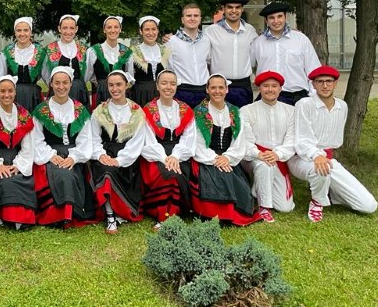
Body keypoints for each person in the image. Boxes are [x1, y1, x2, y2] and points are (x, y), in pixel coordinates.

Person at [290, 65, 378, 222]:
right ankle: (317, 202)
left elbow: (336, 140)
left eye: (329, 81)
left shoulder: (341, 106)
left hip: (328, 159)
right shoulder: (304, 104)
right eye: (320, 81)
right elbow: (301, 139)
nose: (325, 85)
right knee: (320, 169)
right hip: (301, 158)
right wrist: (316, 154)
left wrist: (323, 156)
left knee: (368, 205)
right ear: (314, 84)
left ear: (335, 83)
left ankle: (333, 192)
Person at [189, 74, 261, 226]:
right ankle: (215, 214)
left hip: (228, 159)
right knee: (218, 178)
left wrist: (227, 157)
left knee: (231, 178)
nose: (217, 91)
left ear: (227, 89)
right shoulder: (199, 112)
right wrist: (215, 159)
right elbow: (197, 143)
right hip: (206, 159)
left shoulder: (235, 112)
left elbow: (239, 141)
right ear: (207, 90)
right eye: (213, 87)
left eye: (221, 87)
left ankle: (231, 214)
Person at [31, 66, 97, 226]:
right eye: (57, 83)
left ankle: (73, 211)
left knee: (70, 171)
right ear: (51, 84)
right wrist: (50, 156)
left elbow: (86, 138)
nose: (61, 87)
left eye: (65, 83)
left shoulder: (80, 110)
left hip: (74, 153)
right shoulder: (41, 111)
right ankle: (61, 214)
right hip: (50, 154)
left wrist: (74, 157)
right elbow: (36, 139)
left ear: (71, 83)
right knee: (61, 174)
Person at [90, 70, 149, 234]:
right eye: (111, 85)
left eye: (118, 84)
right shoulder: (99, 110)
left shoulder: (137, 112)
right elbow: (93, 137)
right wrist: (100, 154)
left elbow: (138, 141)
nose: (115, 89)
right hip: (105, 151)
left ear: (126, 86)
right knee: (106, 171)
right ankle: (110, 215)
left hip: (127, 156)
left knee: (115, 169)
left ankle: (121, 211)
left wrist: (120, 160)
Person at [0, 75, 37, 229]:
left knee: (18, 179)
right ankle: (4, 214)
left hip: (17, 159)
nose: (6, 95)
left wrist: (18, 165)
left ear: (15, 92)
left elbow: (28, 146)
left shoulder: (24, 115)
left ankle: (17, 217)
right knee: (3, 181)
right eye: (2, 91)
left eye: (10, 91)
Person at [140, 70, 196, 229]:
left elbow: (189, 139)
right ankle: (163, 215)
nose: (168, 87)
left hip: (180, 155)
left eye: (172, 83)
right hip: (155, 155)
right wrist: (165, 158)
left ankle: (174, 213)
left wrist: (176, 156)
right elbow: (147, 140)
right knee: (167, 175)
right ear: (157, 86)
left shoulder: (185, 109)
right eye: (164, 83)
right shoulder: (148, 110)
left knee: (175, 173)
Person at [240, 71, 296, 222]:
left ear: (280, 89)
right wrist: (258, 154)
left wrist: (277, 154)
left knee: (285, 208)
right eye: (266, 86)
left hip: (278, 158)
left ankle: (256, 191)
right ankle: (264, 207)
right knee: (264, 166)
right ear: (259, 88)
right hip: (252, 158)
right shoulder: (246, 110)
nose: (270, 89)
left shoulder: (290, 111)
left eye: (274, 86)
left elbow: (292, 140)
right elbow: (244, 140)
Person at [250, 2, 321, 106]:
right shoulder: (258, 43)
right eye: (271, 18)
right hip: (268, 97)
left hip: (297, 97)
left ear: (285, 17)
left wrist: (314, 96)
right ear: (266, 20)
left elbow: (314, 69)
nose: (276, 21)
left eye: (280, 16)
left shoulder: (301, 39)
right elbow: (247, 67)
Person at [204, 0, 258, 108]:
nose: (234, 11)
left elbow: (255, 55)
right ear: (223, 9)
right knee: (218, 121)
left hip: (243, 87)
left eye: (237, 7)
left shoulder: (250, 30)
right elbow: (205, 58)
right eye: (230, 7)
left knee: (242, 121)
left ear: (242, 9)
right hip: (219, 87)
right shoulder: (211, 31)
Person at [167, 3, 211, 109]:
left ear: (200, 19)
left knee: (204, 124)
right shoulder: (171, 41)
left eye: (196, 16)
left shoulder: (206, 40)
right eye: (188, 16)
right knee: (183, 124)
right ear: (182, 19)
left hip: (204, 91)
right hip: (182, 91)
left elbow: (208, 62)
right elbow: (169, 67)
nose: (192, 18)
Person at [85, 16, 132, 109]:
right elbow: (87, 75)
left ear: (120, 29)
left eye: (116, 27)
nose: (113, 30)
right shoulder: (93, 51)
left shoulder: (127, 52)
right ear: (104, 30)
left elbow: (130, 76)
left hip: (121, 94)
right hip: (101, 93)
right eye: (109, 27)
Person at [3, 17, 46, 112]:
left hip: (33, 96)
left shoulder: (40, 52)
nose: (22, 34)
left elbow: (47, 75)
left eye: (26, 30)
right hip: (12, 96)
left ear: (31, 32)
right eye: (19, 30)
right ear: (15, 33)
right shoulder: (7, 51)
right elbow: (1, 76)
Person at [44, 13, 89, 105]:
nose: (68, 32)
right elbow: (46, 74)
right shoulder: (50, 49)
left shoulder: (84, 49)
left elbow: (88, 72)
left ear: (76, 29)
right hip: (58, 91)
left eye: (71, 28)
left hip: (79, 90)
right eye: (65, 28)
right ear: (59, 29)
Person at [128, 15, 170, 106]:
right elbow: (130, 77)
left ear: (158, 30)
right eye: (147, 29)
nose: (151, 33)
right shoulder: (133, 52)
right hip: (140, 95)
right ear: (141, 31)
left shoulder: (166, 51)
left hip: (162, 95)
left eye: (154, 29)